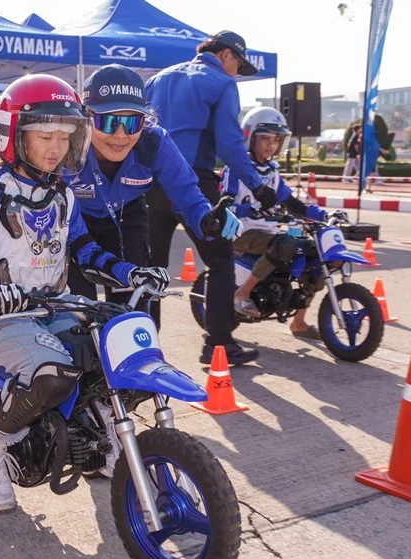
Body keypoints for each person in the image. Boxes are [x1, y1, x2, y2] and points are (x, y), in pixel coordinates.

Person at [0, 74, 171, 510]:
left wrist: (132, 273)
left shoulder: (63, 192)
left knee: (119, 350)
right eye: (45, 136)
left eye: (65, 138)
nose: (56, 148)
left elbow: (86, 251)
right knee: (53, 373)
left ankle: (105, 433)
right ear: (14, 135)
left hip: (54, 305)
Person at [145, 30, 278, 366]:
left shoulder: (158, 79)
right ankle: (218, 345)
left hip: (149, 183)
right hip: (192, 184)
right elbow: (230, 143)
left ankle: (143, 347)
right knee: (220, 262)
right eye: (238, 65)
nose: (237, 73)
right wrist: (257, 184)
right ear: (225, 55)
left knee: (150, 269)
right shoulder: (221, 83)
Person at [65, 64, 241, 307]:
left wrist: (206, 220)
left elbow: (187, 193)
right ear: (86, 118)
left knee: (134, 307)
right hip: (74, 220)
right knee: (78, 307)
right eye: (108, 122)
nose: (120, 135)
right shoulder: (67, 142)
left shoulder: (154, 140)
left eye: (132, 123)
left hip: (126, 215)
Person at [226, 107, 335, 339]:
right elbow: (223, 206)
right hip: (242, 231)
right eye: (265, 138)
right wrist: (250, 209)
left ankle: (299, 322)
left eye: (276, 140)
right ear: (250, 137)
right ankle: (242, 293)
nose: (271, 145)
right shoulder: (235, 168)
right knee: (285, 244)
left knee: (314, 254)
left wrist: (324, 215)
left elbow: (292, 203)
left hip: (268, 233)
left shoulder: (272, 172)